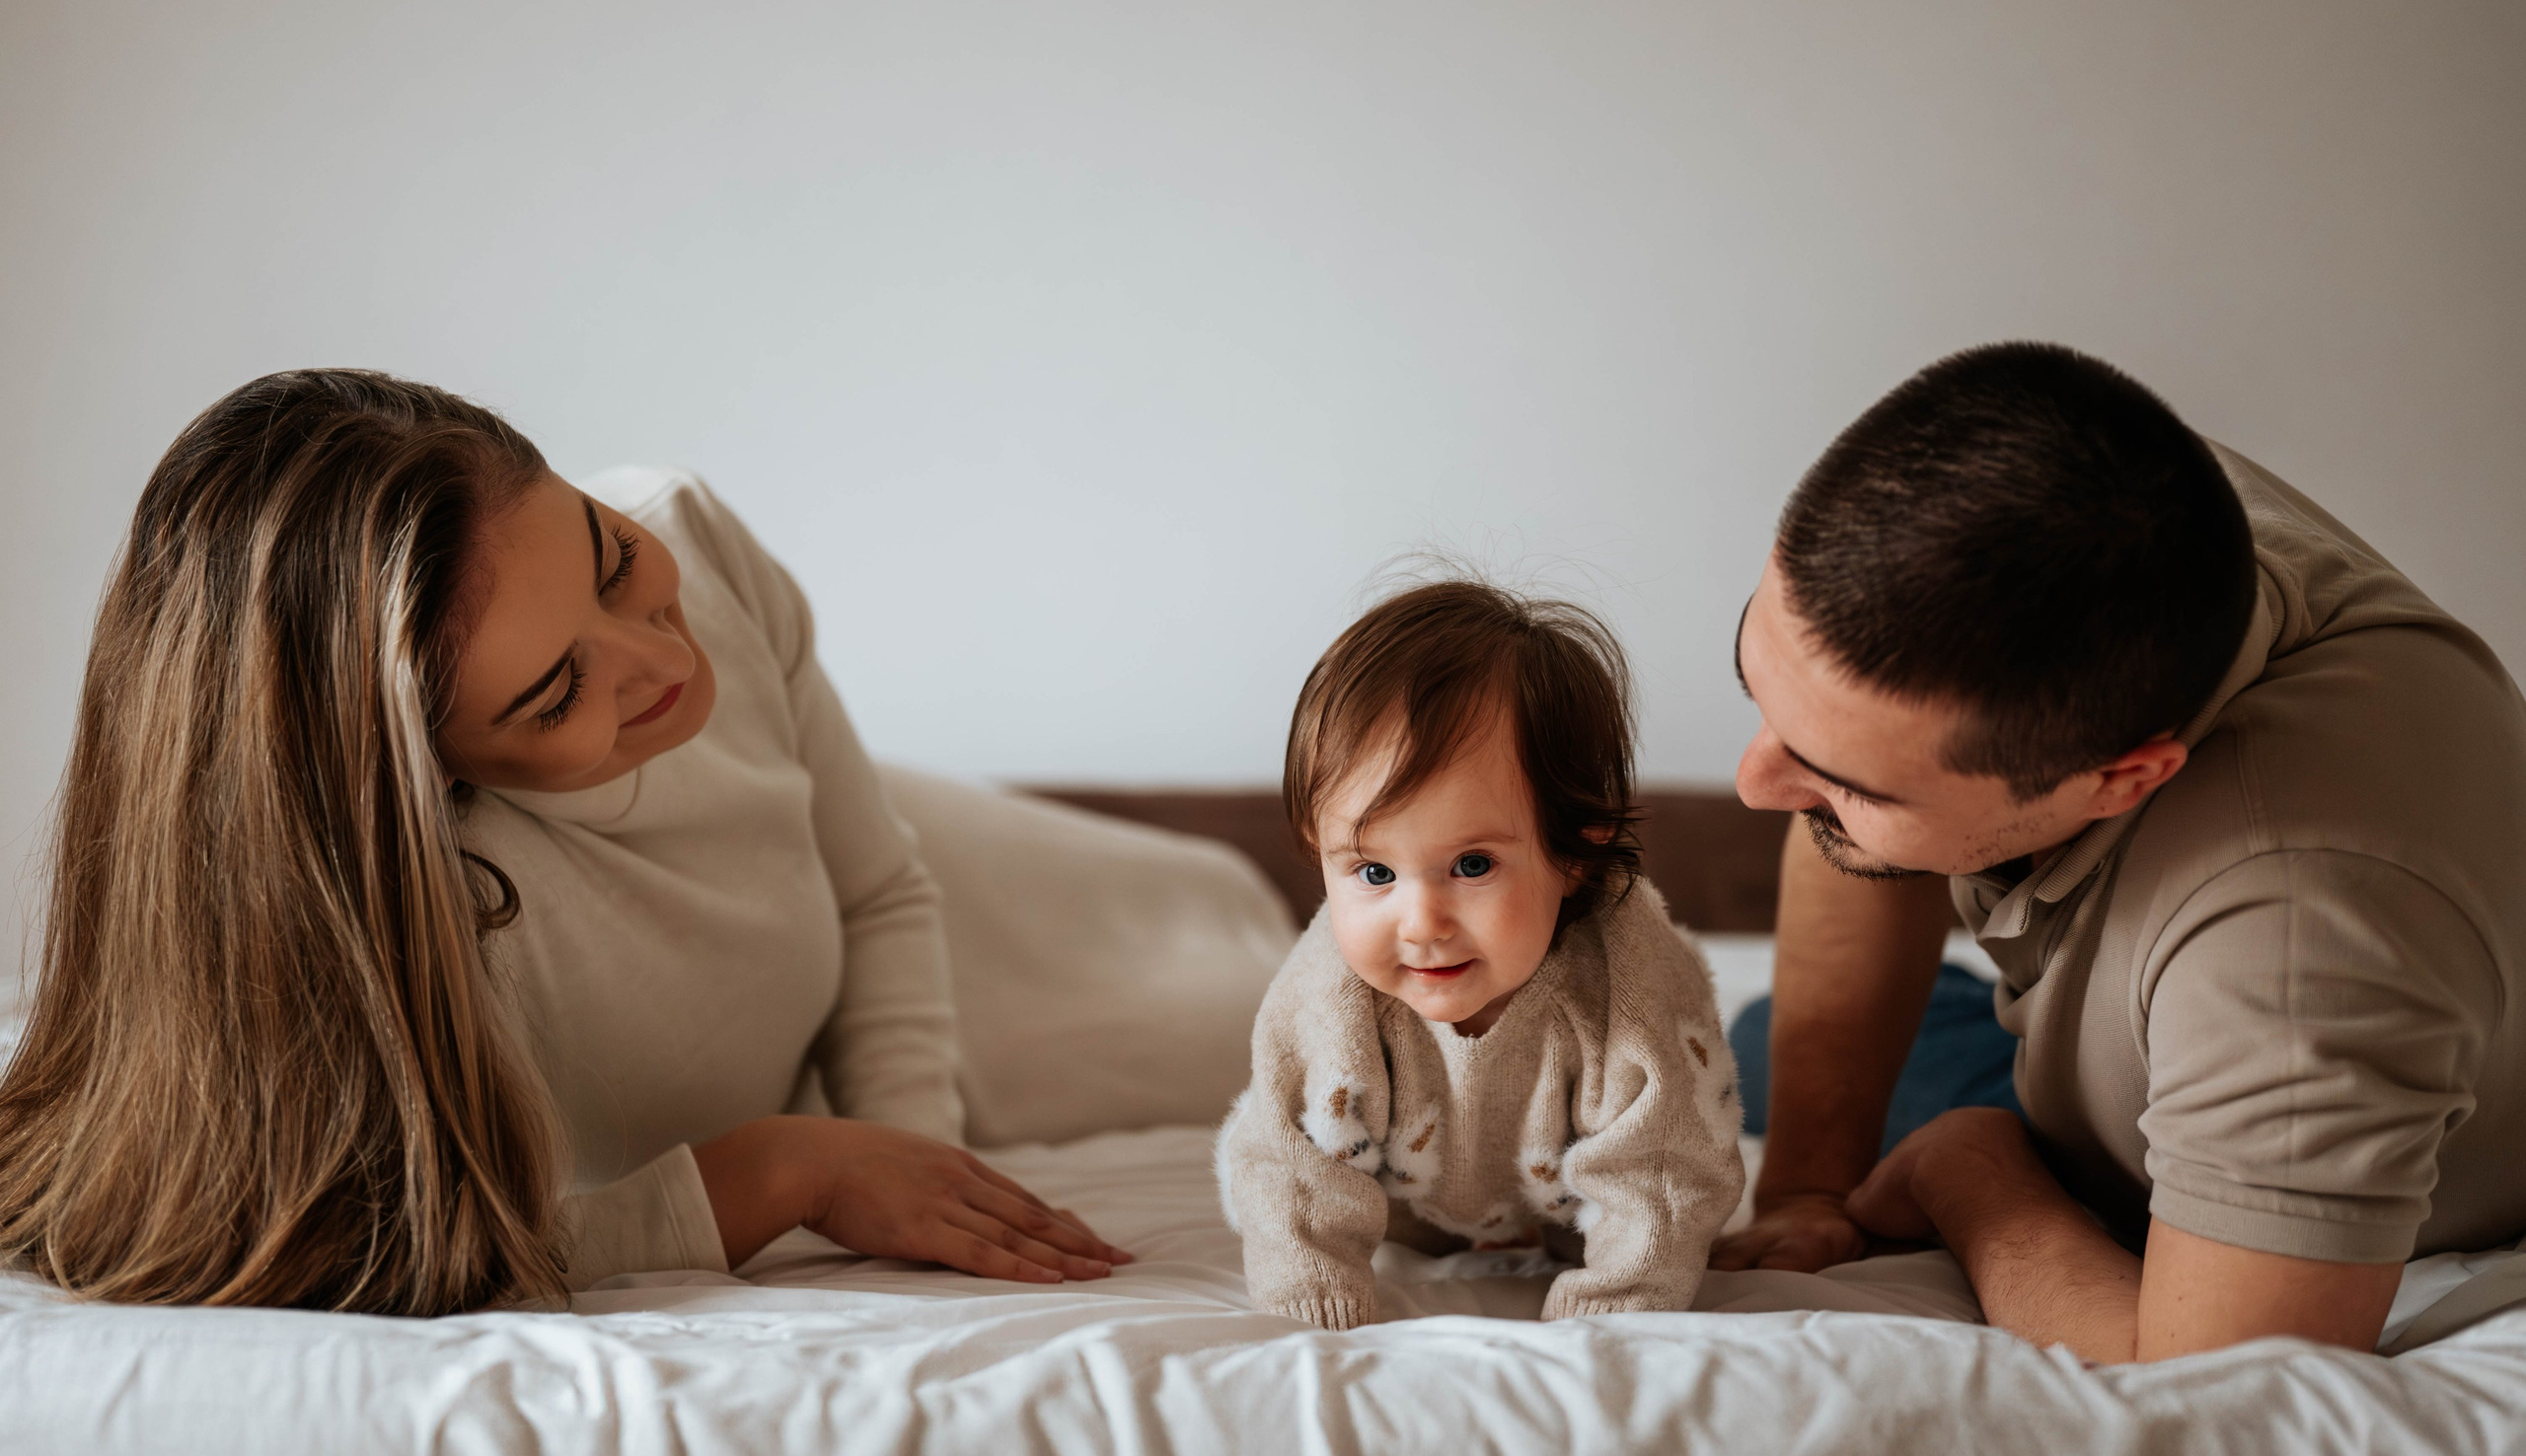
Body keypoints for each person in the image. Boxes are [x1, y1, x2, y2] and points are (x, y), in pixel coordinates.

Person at [0, 370, 1127, 1314]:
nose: (668, 664)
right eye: (553, 695)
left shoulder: (694, 533)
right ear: (419, 776)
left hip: (976, 877)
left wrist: (908, 1164)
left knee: (1224, 940)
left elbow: (878, 890)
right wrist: (781, 1173)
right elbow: (379, 1254)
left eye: (615, 564)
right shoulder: (367, 908)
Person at [1712, 344, 2526, 1363]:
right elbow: (1838, 810)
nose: (1753, 784)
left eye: (1848, 784)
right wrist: (1805, 1193)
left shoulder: (2305, 937)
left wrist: (1968, 1172)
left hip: (2308, 1120)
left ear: (2122, 779)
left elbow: (2217, 1398)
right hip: (2138, 1041)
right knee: (1760, 1034)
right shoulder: (2102, 502)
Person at [1219, 581, 1742, 1328]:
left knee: (1641, 1178)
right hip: (1398, 1205)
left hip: (1573, 1201)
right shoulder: (1328, 990)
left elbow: (1665, 1168)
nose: (1422, 921)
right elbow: (1289, 1165)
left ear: (1575, 854)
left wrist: (1617, 1313)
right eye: (1374, 872)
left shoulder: (1631, 978)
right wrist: (1315, 1303)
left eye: (1472, 865)